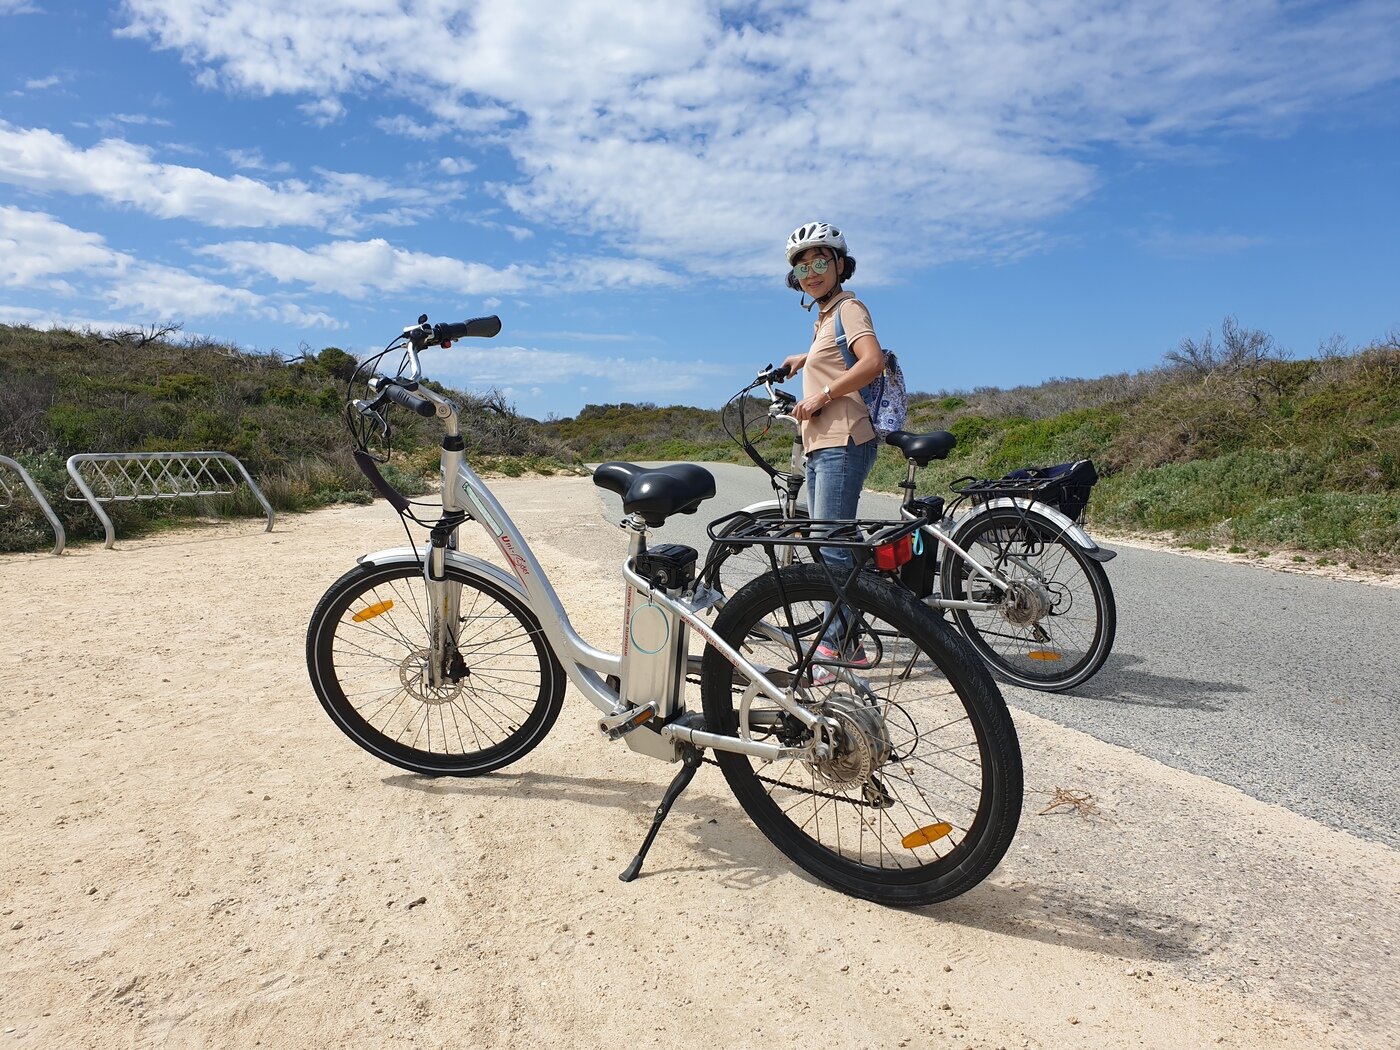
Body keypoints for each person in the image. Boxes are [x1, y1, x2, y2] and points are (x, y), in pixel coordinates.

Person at [778, 221, 886, 680]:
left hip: (843, 438)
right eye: (802, 267)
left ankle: (840, 645)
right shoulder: (825, 318)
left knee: (832, 546)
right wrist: (804, 360)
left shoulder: (850, 308)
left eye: (820, 261)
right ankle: (846, 635)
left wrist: (822, 396)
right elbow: (833, 358)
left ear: (840, 265)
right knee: (832, 543)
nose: (811, 272)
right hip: (822, 444)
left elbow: (871, 361)